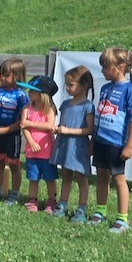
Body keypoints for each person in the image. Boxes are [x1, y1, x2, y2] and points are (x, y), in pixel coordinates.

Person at [90, 46, 132, 233]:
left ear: (120, 67)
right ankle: (100, 211)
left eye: (105, 67)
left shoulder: (130, 90)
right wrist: (93, 140)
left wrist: (130, 145)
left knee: (118, 178)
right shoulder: (105, 88)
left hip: (117, 143)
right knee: (101, 176)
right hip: (101, 141)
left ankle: (122, 219)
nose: (102, 71)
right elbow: (99, 116)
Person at [50, 65, 95, 222]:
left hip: (78, 147)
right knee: (66, 175)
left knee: (81, 178)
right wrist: (58, 129)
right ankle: (63, 204)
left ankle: (82, 209)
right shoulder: (66, 104)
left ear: (84, 86)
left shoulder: (87, 106)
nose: (67, 88)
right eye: (66, 84)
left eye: (71, 84)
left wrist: (68, 130)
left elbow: (90, 129)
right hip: (64, 144)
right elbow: (64, 122)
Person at [0, 57, 29, 205]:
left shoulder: (21, 95)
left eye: (6, 75)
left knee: (14, 164)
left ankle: (15, 193)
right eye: (1, 75)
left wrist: (6, 129)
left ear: (16, 77)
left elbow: (23, 121)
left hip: (12, 135)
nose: (2, 78)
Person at [19, 75, 59, 213]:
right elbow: (24, 127)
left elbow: (49, 126)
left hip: (47, 152)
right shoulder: (27, 108)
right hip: (32, 151)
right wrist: (31, 141)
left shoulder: (50, 109)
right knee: (33, 178)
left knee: (50, 178)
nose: (29, 93)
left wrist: (30, 123)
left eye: (33, 91)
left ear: (43, 94)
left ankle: (52, 201)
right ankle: (32, 200)